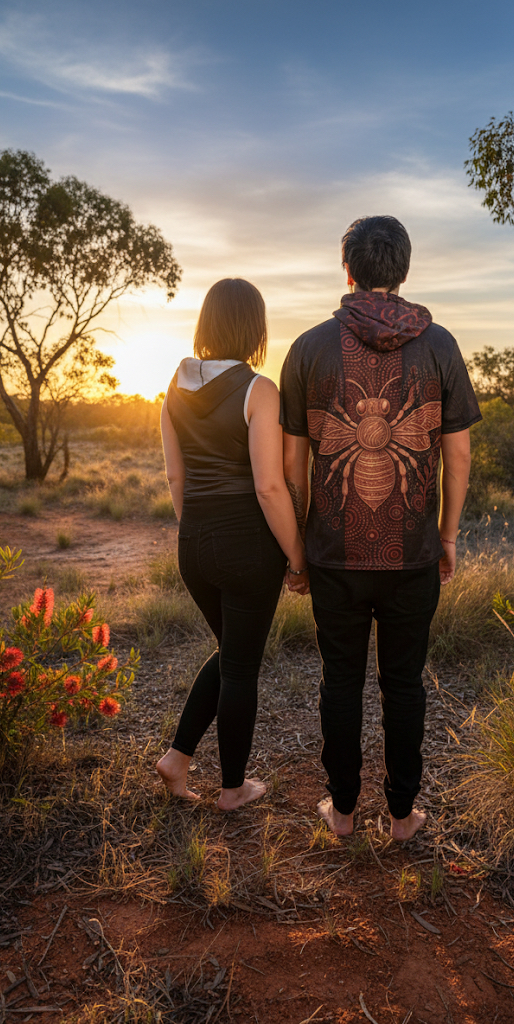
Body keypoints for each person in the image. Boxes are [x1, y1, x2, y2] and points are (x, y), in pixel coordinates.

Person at [281, 216, 481, 840]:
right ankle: (401, 815)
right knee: (404, 684)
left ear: (348, 269)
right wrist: (446, 535)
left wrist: (298, 551)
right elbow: (460, 455)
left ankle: (341, 812)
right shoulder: (441, 345)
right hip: (414, 555)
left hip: (333, 555)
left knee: (338, 680)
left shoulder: (308, 348)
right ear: (403, 269)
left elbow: (293, 463)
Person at [156, 278, 308, 810]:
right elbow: (269, 487)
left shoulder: (172, 386)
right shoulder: (257, 389)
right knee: (241, 667)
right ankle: (232, 789)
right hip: (246, 548)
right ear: (254, 328)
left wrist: (197, 528)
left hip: (193, 544)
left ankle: (177, 759)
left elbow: (175, 480)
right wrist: (297, 556)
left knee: (231, 655)